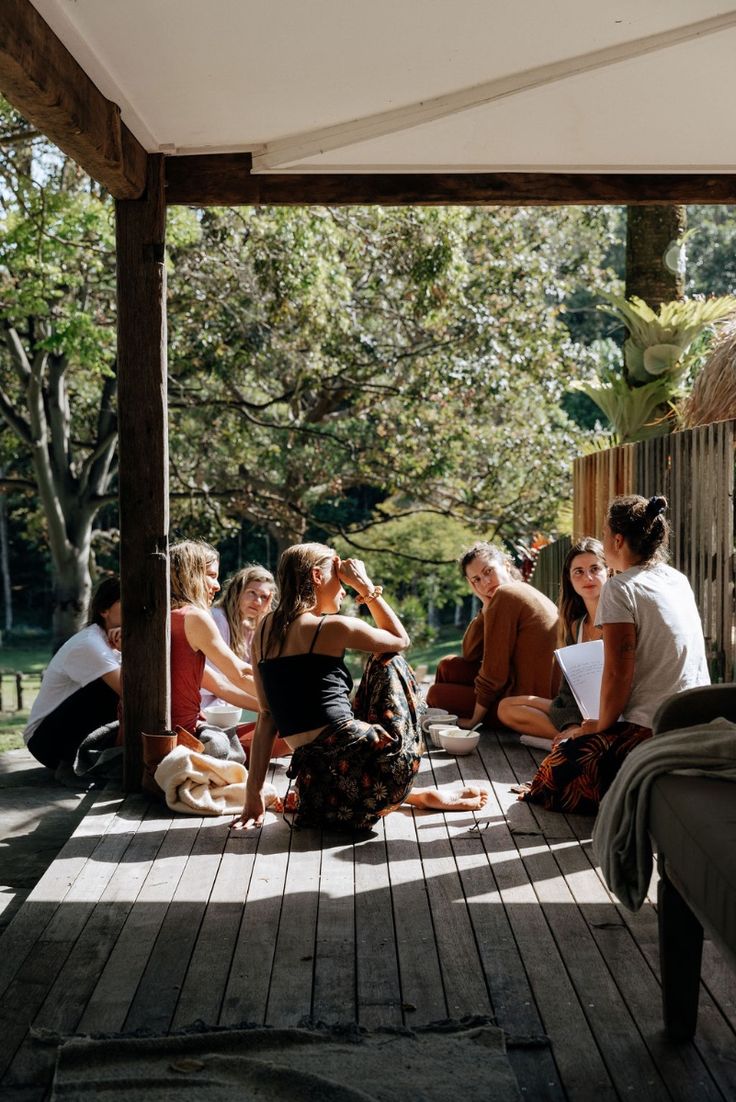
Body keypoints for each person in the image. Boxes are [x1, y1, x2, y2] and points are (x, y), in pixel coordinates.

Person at [231, 543, 489, 832]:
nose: (343, 589)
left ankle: (414, 798)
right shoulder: (328, 627)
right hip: (379, 777)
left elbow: (266, 716)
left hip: (319, 788)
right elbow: (399, 639)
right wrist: (364, 585)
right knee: (388, 660)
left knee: (347, 717)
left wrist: (251, 798)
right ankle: (406, 793)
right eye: (339, 579)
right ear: (317, 576)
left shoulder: (264, 630)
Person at [522, 495, 710, 815]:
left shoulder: (620, 588)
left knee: (553, 771)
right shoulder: (677, 580)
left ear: (618, 540)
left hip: (653, 726)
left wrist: (599, 726)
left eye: (606, 535)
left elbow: (618, 672)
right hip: (695, 716)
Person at [427, 542, 558, 729]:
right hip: (522, 688)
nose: (485, 582)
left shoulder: (507, 595)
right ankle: (446, 724)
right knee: (448, 666)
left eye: (488, 571)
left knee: (435, 695)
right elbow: (471, 653)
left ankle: (450, 727)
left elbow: (494, 673)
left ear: (505, 565)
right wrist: (485, 607)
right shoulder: (518, 590)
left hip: (525, 705)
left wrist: (475, 719)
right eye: (476, 580)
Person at [498, 537, 607, 742]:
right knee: (507, 707)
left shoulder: (618, 624)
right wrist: (571, 723)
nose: (588, 577)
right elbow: (568, 691)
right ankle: (573, 737)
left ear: (608, 571)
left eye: (595, 568)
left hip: (609, 712)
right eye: (579, 572)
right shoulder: (576, 626)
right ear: (570, 578)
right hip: (577, 709)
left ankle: (581, 739)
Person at [24, 576, 122, 770]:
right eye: (128, 604)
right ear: (104, 610)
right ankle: (69, 765)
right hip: (46, 742)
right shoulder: (90, 644)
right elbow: (130, 691)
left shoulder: (113, 641)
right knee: (111, 686)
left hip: (55, 736)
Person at [168, 540, 257, 735]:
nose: (217, 586)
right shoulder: (193, 617)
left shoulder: (164, 617)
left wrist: (271, 706)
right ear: (190, 576)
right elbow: (240, 673)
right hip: (184, 738)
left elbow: (220, 684)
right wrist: (289, 699)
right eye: (211, 576)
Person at [201, 564, 276, 711]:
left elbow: (260, 671)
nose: (258, 601)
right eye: (252, 593)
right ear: (237, 591)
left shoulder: (250, 628)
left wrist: (265, 616)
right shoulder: (217, 618)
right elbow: (216, 681)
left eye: (264, 597)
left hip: (230, 705)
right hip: (206, 705)